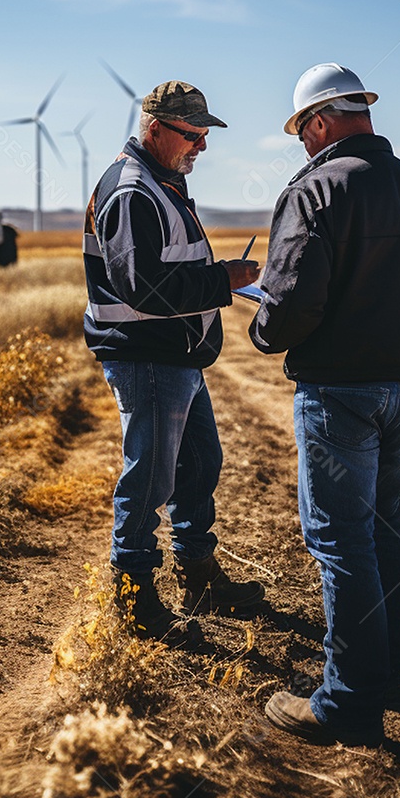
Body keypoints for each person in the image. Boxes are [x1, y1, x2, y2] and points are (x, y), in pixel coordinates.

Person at [249, 63, 400, 746]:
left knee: (341, 540)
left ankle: (347, 702)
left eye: (303, 134)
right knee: (380, 526)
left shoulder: (315, 191)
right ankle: (389, 666)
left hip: (339, 394)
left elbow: (289, 306)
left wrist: (262, 327)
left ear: (317, 124)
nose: (303, 147)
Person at [83, 80, 265, 645]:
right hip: (149, 358)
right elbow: (144, 288)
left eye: (205, 135)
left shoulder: (164, 181)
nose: (202, 147)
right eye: (193, 135)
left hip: (176, 358)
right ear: (155, 129)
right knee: (150, 479)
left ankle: (198, 575)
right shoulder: (133, 191)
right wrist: (224, 281)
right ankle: (135, 599)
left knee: (198, 465)